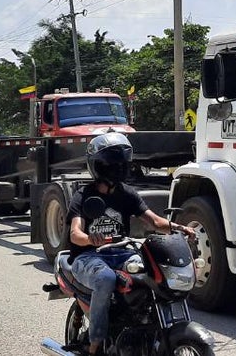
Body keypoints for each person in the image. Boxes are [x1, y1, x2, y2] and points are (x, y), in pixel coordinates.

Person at [67, 132, 195, 355]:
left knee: (152, 272)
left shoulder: (127, 194)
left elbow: (154, 221)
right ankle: (94, 344)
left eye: (121, 163)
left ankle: (144, 327)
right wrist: (90, 239)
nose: (118, 168)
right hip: (88, 256)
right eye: (112, 163)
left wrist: (180, 228)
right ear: (98, 166)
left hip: (121, 253)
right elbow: (75, 234)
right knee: (105, 278)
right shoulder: (83, 195)